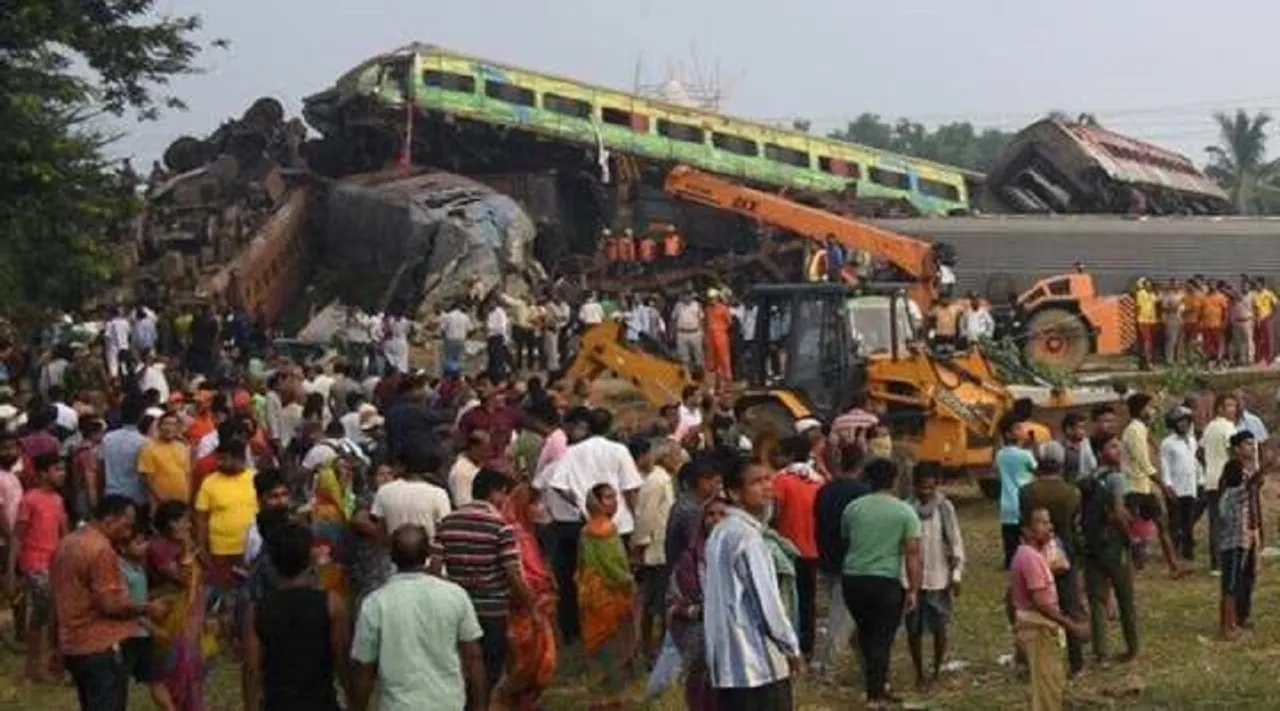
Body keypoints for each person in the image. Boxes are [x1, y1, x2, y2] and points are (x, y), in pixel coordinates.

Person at [350, 524, 487, 711]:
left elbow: (364, 668)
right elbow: (473, 658)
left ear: (391, 556)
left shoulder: (375, 604)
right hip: (448, 703)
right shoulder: (455, 596)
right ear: (429, 554)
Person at [51, 495, 167, 711]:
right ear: (110, 519)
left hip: (74, 645)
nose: (128, 532)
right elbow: (110, 605)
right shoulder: (101, 550)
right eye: (126, 524)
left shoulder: (67, 543)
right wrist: (147, 608)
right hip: (100, 645)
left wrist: (55, 644)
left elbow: (57, 600)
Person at [704, 460, 801, 711]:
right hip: (756, 662)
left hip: (727, 661)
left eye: (768, 479)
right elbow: (767, 601)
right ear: (735, 493)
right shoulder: (748, 537)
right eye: (757, 482)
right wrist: (790, 646)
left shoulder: (721, 531)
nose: (767, 487)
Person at [432, 469, 530, 693]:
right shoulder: (499, 526)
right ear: (495, 493)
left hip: (456, 607)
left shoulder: (447, 522)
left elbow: (435, 568)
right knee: (490, 665)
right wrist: (530, 605)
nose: (506, 501)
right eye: (505, 495)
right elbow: (512, 572)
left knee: (462, 664)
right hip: (492, 609)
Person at [841, 457, 921, 707]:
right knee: (882, 638)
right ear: (895, 480)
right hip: (884, 580)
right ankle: (877, 693)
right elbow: (912, 554)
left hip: (853, 579)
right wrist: (914, 589)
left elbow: (847, 540)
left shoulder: (853, 508)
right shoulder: (904, 511)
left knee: (865, 633)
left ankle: (875, 685)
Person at [243, 522, 348, 711]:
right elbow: (341, 659)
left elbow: (252, 669)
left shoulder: (257, 610)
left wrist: (250, 706)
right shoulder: (331, 604)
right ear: (309, 559)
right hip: (321, 702)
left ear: (273, 562)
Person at [1010, 508, 1090, 711]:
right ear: (1027, 530)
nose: (1049, 527)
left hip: (1040, 628)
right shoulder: (1030, 558)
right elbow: (1042, 604)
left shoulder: (1033, 554)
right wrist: (1072, 626)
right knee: (1046, 692)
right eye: (1042, 523)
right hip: (1038, 630)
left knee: (1051, 685)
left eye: (1049, 522)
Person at [1019, 442, 1085, 678]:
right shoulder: (1072, 492)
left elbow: (1023, 523)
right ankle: (1076, 663)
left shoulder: (1026, 492)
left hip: (1034, 555)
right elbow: (1076, 527)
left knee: (1035, 607)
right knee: (1069, 606)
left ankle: (1034, 662)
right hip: (1064, 555)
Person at [576, 483, 637, 711]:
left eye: (614, 497)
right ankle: (612, 700)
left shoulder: (585, 531)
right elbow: (615, 568)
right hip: (610, 599)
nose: (614, 501)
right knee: (613, 648)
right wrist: (629, 583)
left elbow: (581, 566)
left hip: (590, 599)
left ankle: (597, 699)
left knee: (597, 649)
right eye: (608, 498)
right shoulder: (607, 531)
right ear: (596, 503)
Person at [1078, 432, 1138, 664]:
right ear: (1100, 452)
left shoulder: (1088, 478)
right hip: (1113, 544)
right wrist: (1129, 536)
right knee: (1125, 597)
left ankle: (1101, 652)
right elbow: (1119, 512)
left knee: (1097, 600)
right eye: (1113, 447)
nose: (1118, 450)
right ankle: (1131, 647)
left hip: (1092, 544)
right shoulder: (1116, 478)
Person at [145, 500, 211, 711]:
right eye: (184, 521)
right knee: (177, 666)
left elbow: (209, 568)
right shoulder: (157, 548)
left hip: (192, 615)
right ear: (170, 524)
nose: (189, 526)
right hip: (171, 616)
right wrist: (186, 550)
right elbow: (181, 579)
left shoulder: (187, 543)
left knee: (194, 665)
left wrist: (192, 546)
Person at [904, 464, 965, 689]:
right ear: (915, 486)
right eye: (922, 488)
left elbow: (955, 541)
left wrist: (956, 574)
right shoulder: (906, 508)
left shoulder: (945, 508)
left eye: (930, 488)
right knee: (914, 629)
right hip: (912, 578)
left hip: (939, 576)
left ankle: (937, 668)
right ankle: (919, 672)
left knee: (940, 626)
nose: (926, 492)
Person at [497, 485, 558, 711]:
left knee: (541, 661)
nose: (539, 509)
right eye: (534, 504)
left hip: (536, 607)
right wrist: (533, 599)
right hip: (523, 609)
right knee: (527, 662)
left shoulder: (530, 533)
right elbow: (518, 574)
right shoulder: (514, 535)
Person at [10, 451, 68, 683]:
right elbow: (18, 536)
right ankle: (34, 668)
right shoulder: (30, 499)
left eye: (62, 469)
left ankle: (49, 664)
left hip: (53, 562)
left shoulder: (58, 500)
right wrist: (11, 572)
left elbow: (63, 533)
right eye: (57, 470)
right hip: (35, 563)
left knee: (52, 616)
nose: (62, 474)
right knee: (41, 616)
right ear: (43, 473)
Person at [667, 495, 728, 711]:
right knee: (700, 685)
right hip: (699, 633)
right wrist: (693, 610)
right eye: (710, 514)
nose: (715, 519)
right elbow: (674, 597)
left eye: (722, 514)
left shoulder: (739, 553)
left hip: (730, 633)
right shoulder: (689, 556)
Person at [811, 444, 868, 680]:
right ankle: (826, 668)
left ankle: (868, 665)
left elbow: (818, 523)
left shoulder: (824, 490)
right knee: (841, 618)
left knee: (853, 618)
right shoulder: (863, 492)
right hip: (852, 561)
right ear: (861, 465)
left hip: (827, 557)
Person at [771, 434, 824, 660]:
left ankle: (785, 644)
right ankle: (807, 646)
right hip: (811, 548)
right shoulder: (818, 481)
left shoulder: (781, 481)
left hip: (786, 549)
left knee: (783, 598)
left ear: (790, 455)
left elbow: (774, 513)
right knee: (807, 600)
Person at [1120, 393, 1184, 576]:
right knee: (1134, 529)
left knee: (1160, 523)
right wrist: (1163, 485)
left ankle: (1173, 567)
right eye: (1150, 407)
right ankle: (1135, 567)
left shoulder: (1141, 429)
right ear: (1141, 410)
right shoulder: (1134, 430)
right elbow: (1143, 463)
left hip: (1142, 485)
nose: (1153, 411)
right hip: (1134, 486)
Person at [193, 436, 258, 599]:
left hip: (249, 550)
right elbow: (201, 517)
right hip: (221, 550)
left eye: (224, 459)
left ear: (239, 458)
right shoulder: (209, 482)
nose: (219, 463)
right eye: (219, 458)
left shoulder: (255, 478)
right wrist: (201, 546)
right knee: (224, 594)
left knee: (249, 593)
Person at [118, 529, 175, 711]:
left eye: (144, 542)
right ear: (123, 547)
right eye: (138, 543)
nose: (144, 547)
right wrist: (154, 629)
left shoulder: (139, 567)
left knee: (156, 680)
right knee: (119, 685)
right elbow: (127, 606)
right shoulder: (120, 570)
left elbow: (140, 598)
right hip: (128, 636)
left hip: (143, 636)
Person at [630, 438, 675, 662]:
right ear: (665, 458)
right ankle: (649, 650)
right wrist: (641, 546)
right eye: (675, 456)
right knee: (653, 604)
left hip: (661, 548)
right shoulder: (656, 481)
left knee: (658, 602)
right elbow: (644, 516)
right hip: (655, 551)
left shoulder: (663, 480)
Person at [1217, 432, 1263, 639]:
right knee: (1231, 585)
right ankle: (1228, 627)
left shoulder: (1246, 472)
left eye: (1253, 444)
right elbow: (1243, 489)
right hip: (1233, 536)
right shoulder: (1234, 471)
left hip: (1243, 534)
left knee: (1237, 581)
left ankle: (1234, 622)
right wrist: (1265, 468)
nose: (1251, 448)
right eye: (1247, 444)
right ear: (1236, 448)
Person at [371, 447, 452, 542]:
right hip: (428, 554)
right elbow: (444, 531)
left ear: (401, 466)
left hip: (394, 553)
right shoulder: (438, 493)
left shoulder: (384, 491)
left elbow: (381, 531)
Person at [1160, 407, 1200, 561]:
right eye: (1179, 422)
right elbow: (1165, 465)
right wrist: (1168, 485)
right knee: (1175, 520)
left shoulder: (1191, 440)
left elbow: (1193, 461)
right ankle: (1174, 549)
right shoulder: (1168, 443)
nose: (1183, 425)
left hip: (1189, 486)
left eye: (1186, 422)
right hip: (1175, 487)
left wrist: (1199, 480)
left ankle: (1188, 550)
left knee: (1188, 520)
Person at [997, 421, 1038, 568]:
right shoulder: (1025, 454)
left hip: (1006, 501)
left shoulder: (1000, 454)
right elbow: (1036, 469)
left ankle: (1010, 561)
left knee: (1009, 536)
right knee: (1027, 534)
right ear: (1009, 434)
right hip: (1024, 499)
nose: (1023, 430)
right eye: (1018, 428)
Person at [136, 412, 191, 514]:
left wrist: (187, 498)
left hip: (181, 503)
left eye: (173, 424)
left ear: (177, 428)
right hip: (161, 505)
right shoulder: (148, 449)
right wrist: (161, 501)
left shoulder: (182, 447)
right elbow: (147, 480)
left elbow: (187, 475)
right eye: (166, 424)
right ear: (159, 426)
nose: (169, 428)